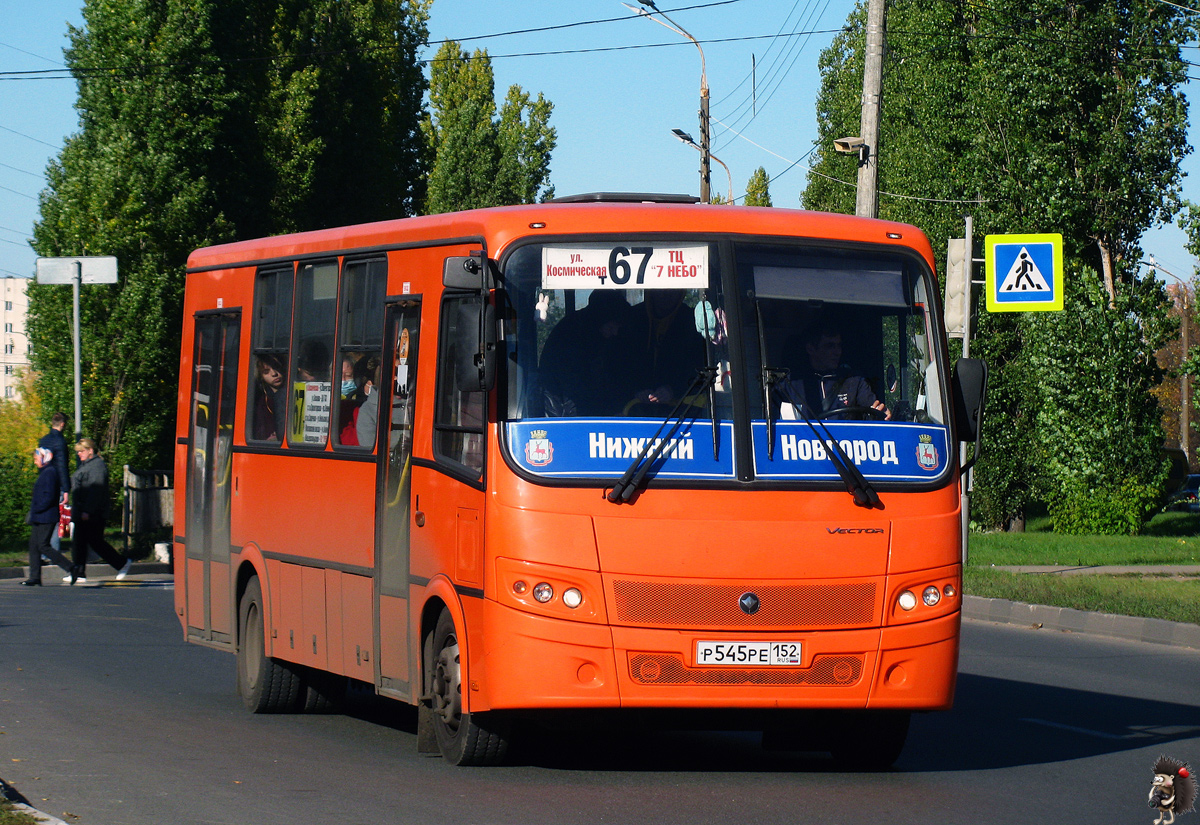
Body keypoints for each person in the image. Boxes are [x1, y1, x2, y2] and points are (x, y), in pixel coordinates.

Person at [539, 290, 633, 416]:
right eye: (611, 327)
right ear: (599, 320)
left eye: (618, 328)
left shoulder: (599, 335)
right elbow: (573, 390)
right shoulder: (571, 336)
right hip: (564, 410)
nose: (615, 333)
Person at [781, 320, 890, 420]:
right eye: (830, 346)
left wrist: (881, 412)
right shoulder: (790, 384)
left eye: (839, 346)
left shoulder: (853, 381)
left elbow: (871, 408)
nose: (837, 352)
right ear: (811, 349)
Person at [625, 289, 707, 409]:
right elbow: (620, 363)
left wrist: (673, 389)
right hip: (633, 409)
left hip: (680, 411)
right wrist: (636, 390)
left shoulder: (692, 321)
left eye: (673, 290)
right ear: (650, 291)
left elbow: (701, 368)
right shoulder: (632, 318)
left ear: (681, 293)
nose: (666, 295)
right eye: (661, 289)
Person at [68, 438, 133, 583]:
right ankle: (79, 572)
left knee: (95, 541)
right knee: (80, 542)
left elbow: (95, 491)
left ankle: (121, 562)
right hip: (83, 511)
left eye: (82, 451)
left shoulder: (97, 467)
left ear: (90, 451)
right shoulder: (88, 465)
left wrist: (87, 511)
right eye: (78, 452)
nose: (79, 454)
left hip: (92, 513)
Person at [23, 447, 73, 586]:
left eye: (36, 459)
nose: (35, 462)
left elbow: (50, 496)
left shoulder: (50, 473)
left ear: (44, 458)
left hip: (46, 516)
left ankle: (71, 567)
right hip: (39, 516)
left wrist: (37, 509)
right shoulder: (46, 472)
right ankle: (34, 577)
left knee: (43, 546)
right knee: (34, 546)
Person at [37, 411, 71, 556]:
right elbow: (62, 466)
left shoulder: (43, 441)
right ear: (63, 424)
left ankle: (43, 552)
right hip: (56, 484)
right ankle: (53, 553)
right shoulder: (60, 441)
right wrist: (66, 489)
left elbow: (40, 462)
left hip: (44, 482)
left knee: (45, 519)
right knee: (56, 521)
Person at [252, 355, 287, 441]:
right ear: (261, 377)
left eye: (276, 367)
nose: (274, 374)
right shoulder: (261, 403)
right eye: (266, 371)